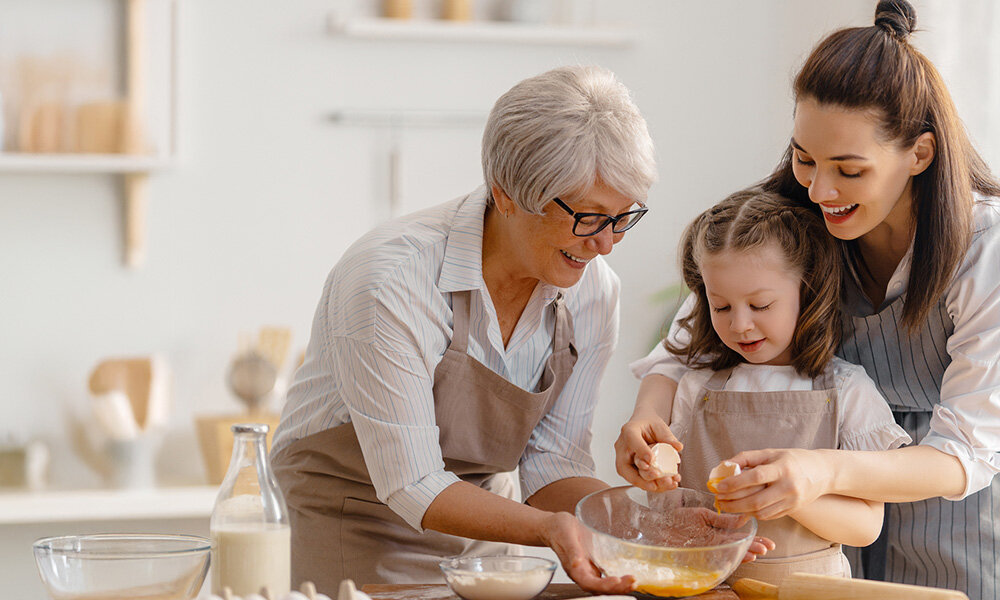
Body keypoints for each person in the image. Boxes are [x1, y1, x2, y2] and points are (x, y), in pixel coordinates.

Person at [617, 1, 1000, 597]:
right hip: (816, 539)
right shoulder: (793, 224)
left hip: (956, 519)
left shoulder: (984, 249)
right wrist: (646, 417)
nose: (819, 189)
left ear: (919, 154)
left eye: (848, 169)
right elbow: (684, 349)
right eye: (805, 158)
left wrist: (823, 470)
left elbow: (963, 453)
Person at [269, 65, 661, 594]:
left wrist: (650, 524)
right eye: (588, 217)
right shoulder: (391, 281)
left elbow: (552, 461)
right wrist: (546, 528)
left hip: (488, 526)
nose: (606, 244)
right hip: (356, 516)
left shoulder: (592, 292)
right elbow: (412, 483)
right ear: (506, 194)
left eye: (622, 217)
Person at [629, 188, 910, 584]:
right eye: (721, 306)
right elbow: (666, 500)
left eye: (760, 305)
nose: (739, 324)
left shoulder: (847, 391)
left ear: (807, 290)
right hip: (705, 587)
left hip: (811, 589)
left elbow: (865, 526)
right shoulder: (696, 388)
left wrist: (790, 494)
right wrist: (665, 499)